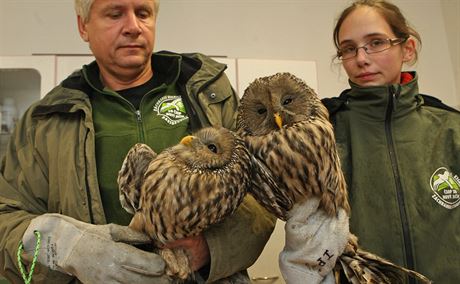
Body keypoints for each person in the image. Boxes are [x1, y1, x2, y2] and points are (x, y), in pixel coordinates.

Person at [0, 0, 276, 283]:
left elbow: (265, 192)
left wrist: (211, 248)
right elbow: (6, 219)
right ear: (84, 26)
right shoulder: (45, 121)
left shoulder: (210, 93)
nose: (133, 27)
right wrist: (64, 250)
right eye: (115, 13)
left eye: (143, 13)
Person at [323, 0, 460, 283]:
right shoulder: (325, 131)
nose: (361, 58)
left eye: (375, 42)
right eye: (349, 48)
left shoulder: (451, 129)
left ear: (406, 49)